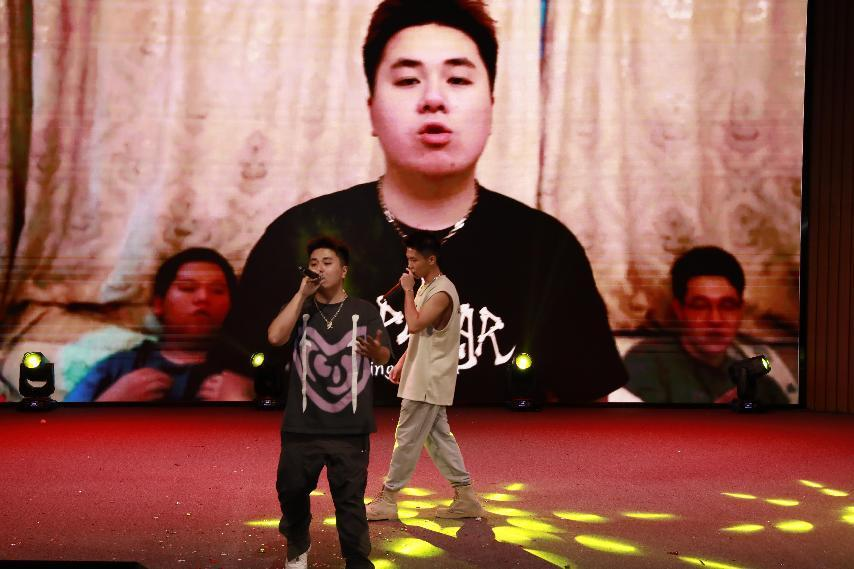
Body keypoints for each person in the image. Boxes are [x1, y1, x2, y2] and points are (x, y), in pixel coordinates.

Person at [220, 0, 628, 405]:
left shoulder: (547, 251)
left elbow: (590, 414)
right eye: (408, 80)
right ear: (371, 110)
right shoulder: (297, 238)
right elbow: (236, 392)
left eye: (458, 79)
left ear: (491, 105)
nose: (433, 98)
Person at [270, 237, 391, 569]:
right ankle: (298, 541)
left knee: (350, 501)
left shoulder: (364, 310)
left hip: (350, 427)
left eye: (327, 262)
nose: (319, 269)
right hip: (302, 425)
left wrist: (376, 352)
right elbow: (275, 337)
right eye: (313, 263)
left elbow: (385, 353)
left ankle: (356, 559)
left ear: (344, 270)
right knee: (291, 490)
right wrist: (301, 296)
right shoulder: (301, 307)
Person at [365, 232, 484, 521]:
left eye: (415, 260)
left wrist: (407, 291)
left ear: (431, 259)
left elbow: (416, 324)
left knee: (407, 437)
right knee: (438, 438)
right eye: (408, 259)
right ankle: (466, 497)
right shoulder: (426, 286)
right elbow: (424, 336)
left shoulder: (442, 291)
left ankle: (388, 499)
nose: (410, 265)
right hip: (422, 375)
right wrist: (403, 361)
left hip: (428, 379)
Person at [65, 247, 253, 402]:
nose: (203, 297)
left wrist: (240, 402)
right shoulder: (118, 367)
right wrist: (112, 401)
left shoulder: (248, 374)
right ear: (158, 305)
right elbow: (65, 432)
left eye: (217, 291)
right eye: (187, 288)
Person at [623, 246, 797, 404]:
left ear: (740, 311)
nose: (715, 319)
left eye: (727, 306)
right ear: (679, 310)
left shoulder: (758, 381)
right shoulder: (647, 363)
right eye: (700, 306)